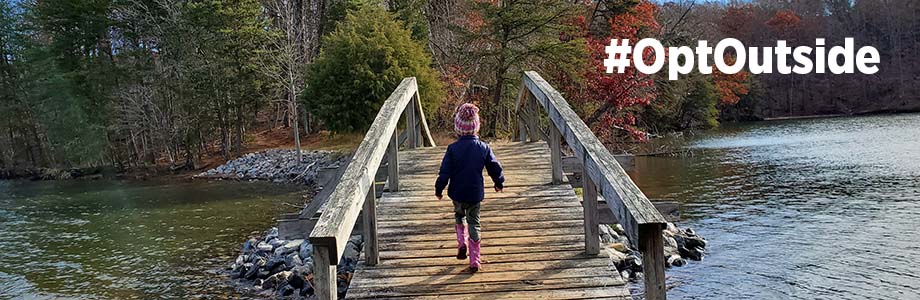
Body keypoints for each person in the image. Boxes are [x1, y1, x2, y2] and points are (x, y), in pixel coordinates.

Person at [435, 103, 504, 273]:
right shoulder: (483, 148)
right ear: (476, 127)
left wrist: (439, 189)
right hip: (474, 193)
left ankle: (461, 243)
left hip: (457, 193)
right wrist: (498, 182)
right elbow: (494, 167)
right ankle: (475, 259)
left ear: (458, 128)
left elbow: (444, 172)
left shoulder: (452, 149)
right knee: (474, 222)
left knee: (459, 216)